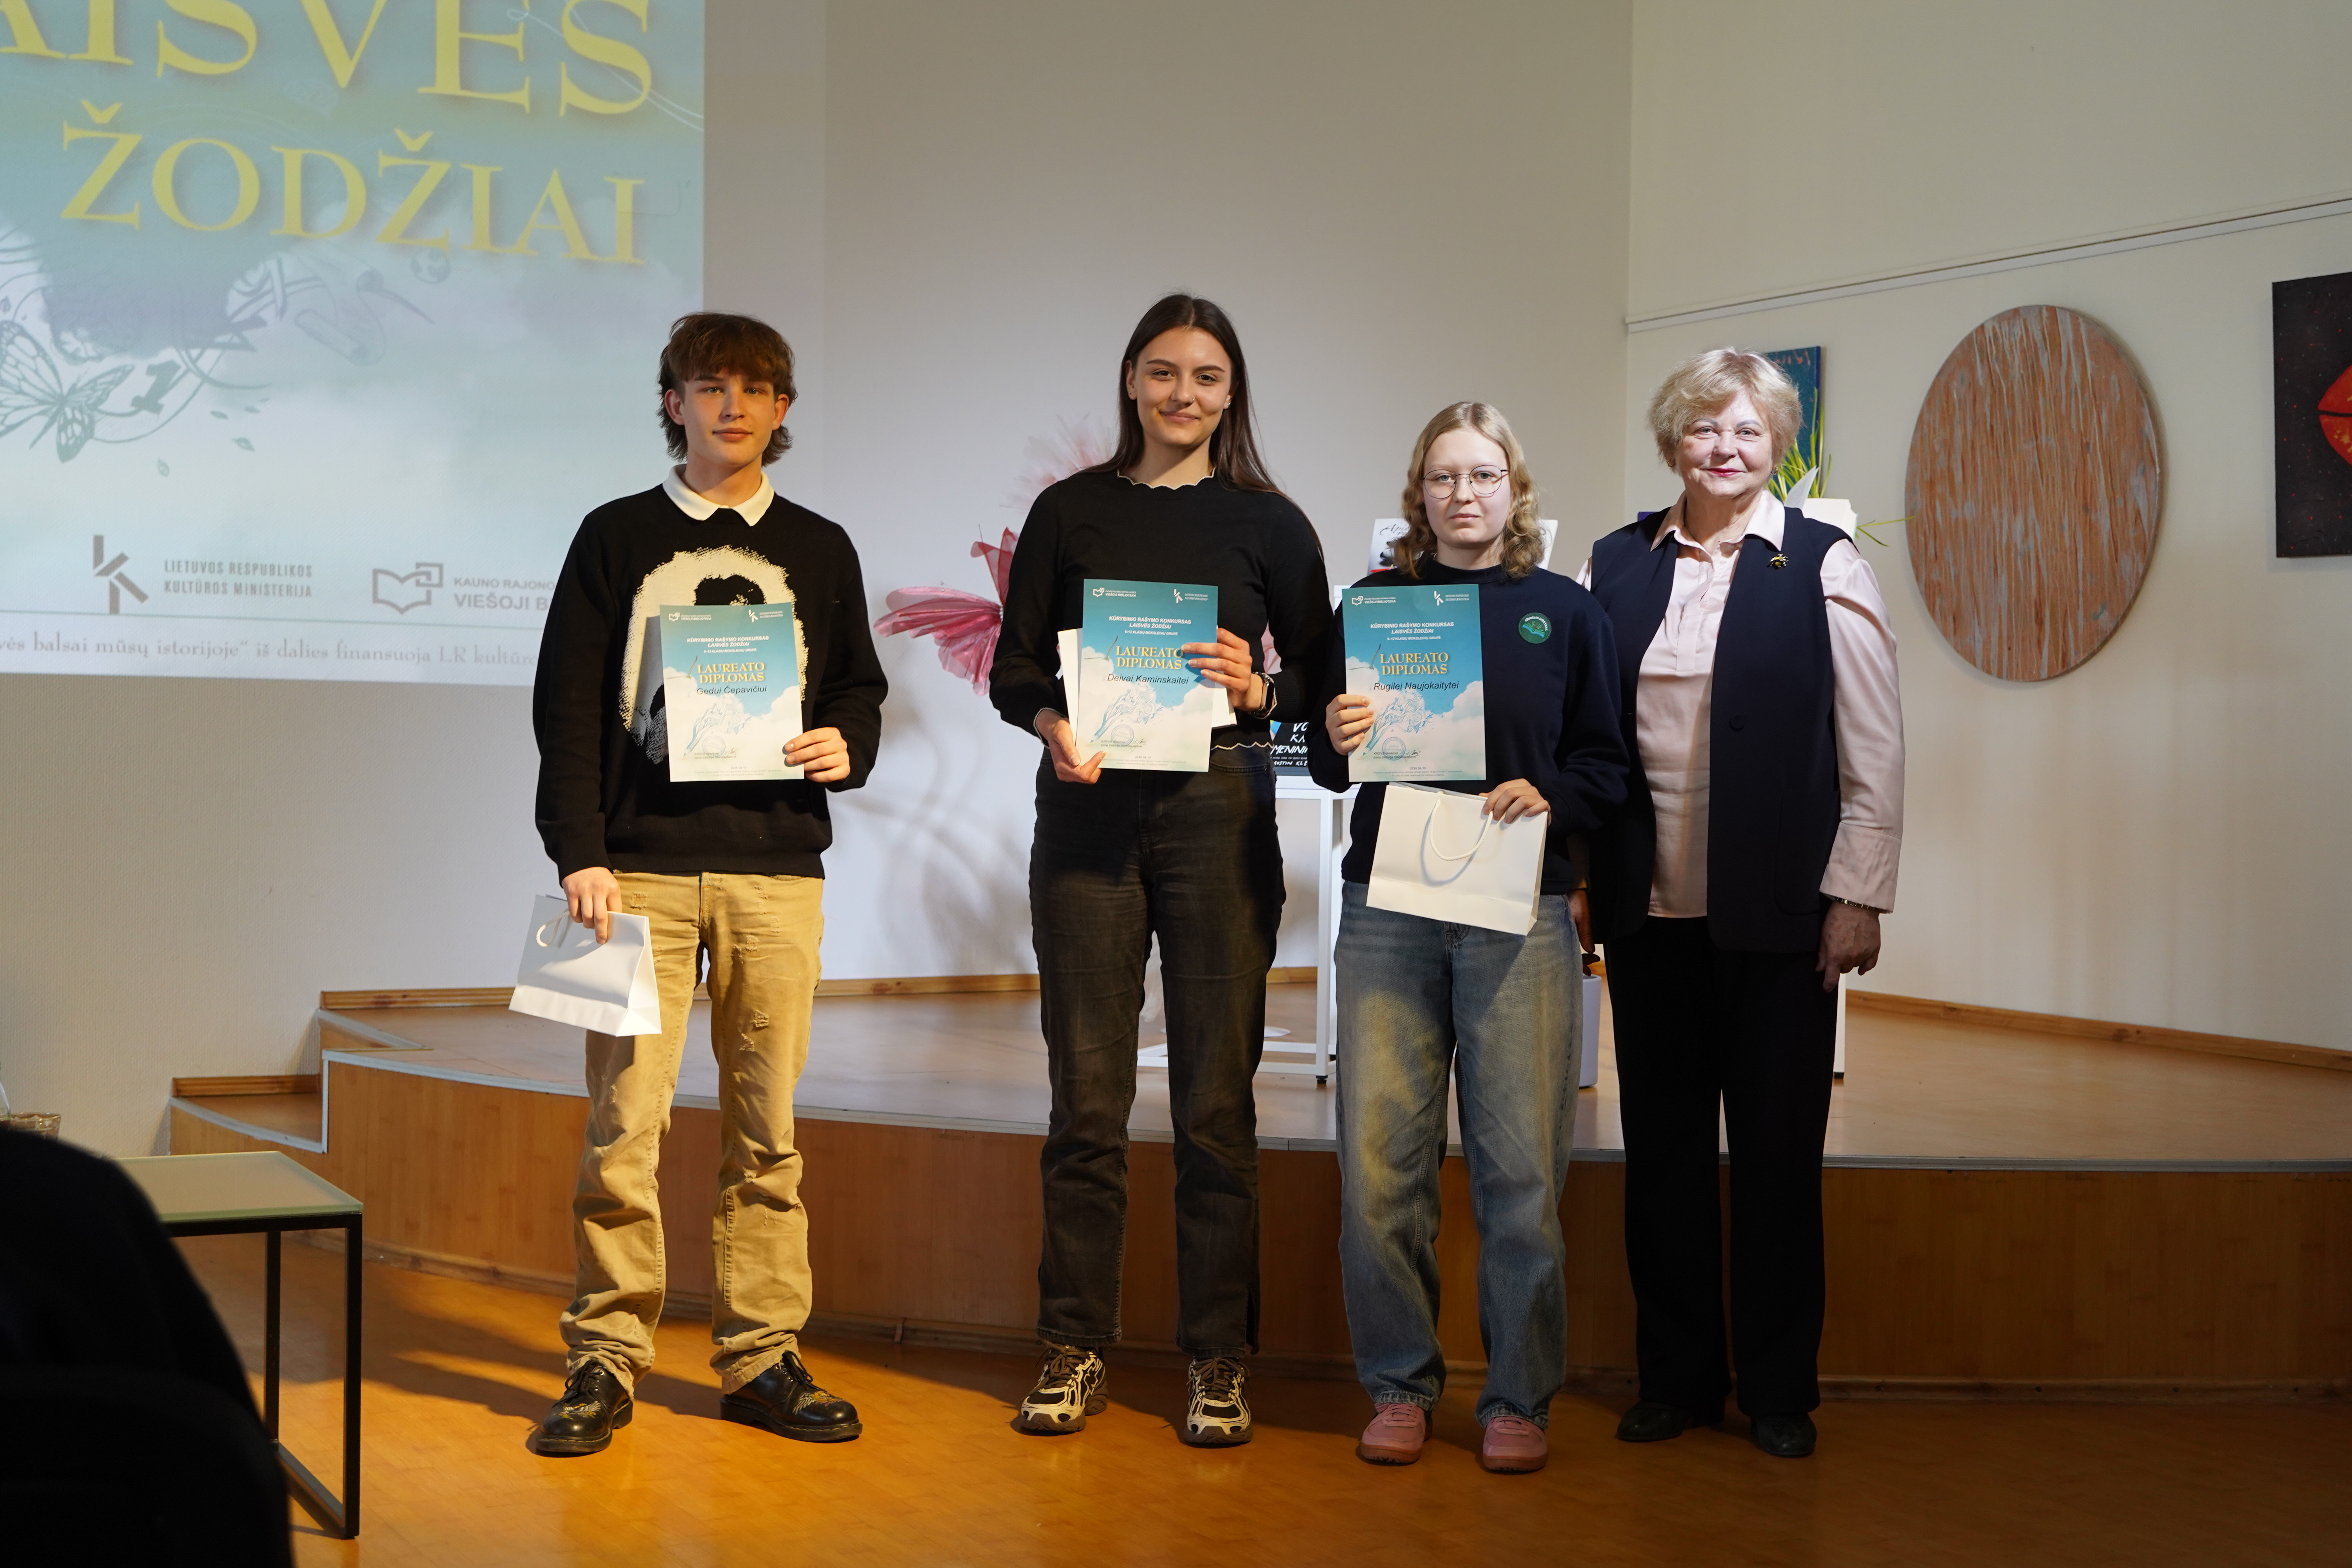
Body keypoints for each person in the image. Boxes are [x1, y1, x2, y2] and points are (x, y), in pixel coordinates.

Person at [528, 312, 887, 1456]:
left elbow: (858, 688)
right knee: (621, 1127)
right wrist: (577, 853)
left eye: (756, 389)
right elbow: (565, 705)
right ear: (672, 402)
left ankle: (762, 1356)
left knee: (767, 1133)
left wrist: (846, 743)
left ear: (783, 411)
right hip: (629, 873)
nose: (733, 406)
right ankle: (603, 1358)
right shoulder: (614, 534)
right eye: (710, 385)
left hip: (777, 874)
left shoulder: (821, 546)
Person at [988, 294, 1332, 1446]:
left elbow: (1324, 682)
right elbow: (1015, 668)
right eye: (1165, 372)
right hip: (1086, 815)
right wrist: (1051, 724)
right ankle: (1073, 1346)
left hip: (1217, 812)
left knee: (1215, 1109)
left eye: (1208, 377)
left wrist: (1260, 690)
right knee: (1085, 1105)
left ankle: (1218, 1360)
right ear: (1132, 380)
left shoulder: (1270, 524)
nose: (1185, 394)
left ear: (1233, 396)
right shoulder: (1069, 510)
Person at [1581, 349, 1904, 1459]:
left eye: (1748, 431)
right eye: (1705, 429)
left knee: (1776, 1157)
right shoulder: (1615, 562)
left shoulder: (1822, 561)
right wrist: (1583, 875)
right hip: (1647, 910)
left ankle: (1777, 1389)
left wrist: (1858, 893)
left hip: (1780, 913)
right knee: (1663, 1156)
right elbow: (1586, 734)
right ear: (1674, 440)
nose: (1725, 448)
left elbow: (1873, 744)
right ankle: (1675, 1379)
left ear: (1778, 446)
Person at [1309, 403, 1627, 1475]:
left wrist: (1554, 793)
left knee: (1521, 1175)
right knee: (1378, 1170)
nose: (1464, 494)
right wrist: (1334, 732)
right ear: (1420, 493)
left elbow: (1608, 765)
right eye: (1444, 477)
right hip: (1389, 907)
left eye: (1484, 475)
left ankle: (1519, 1401)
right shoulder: (1373, 606)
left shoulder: (1568, 612)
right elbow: (1325, 760)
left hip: (1520, 911)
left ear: (1514, 489)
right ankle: (1399, 1386)